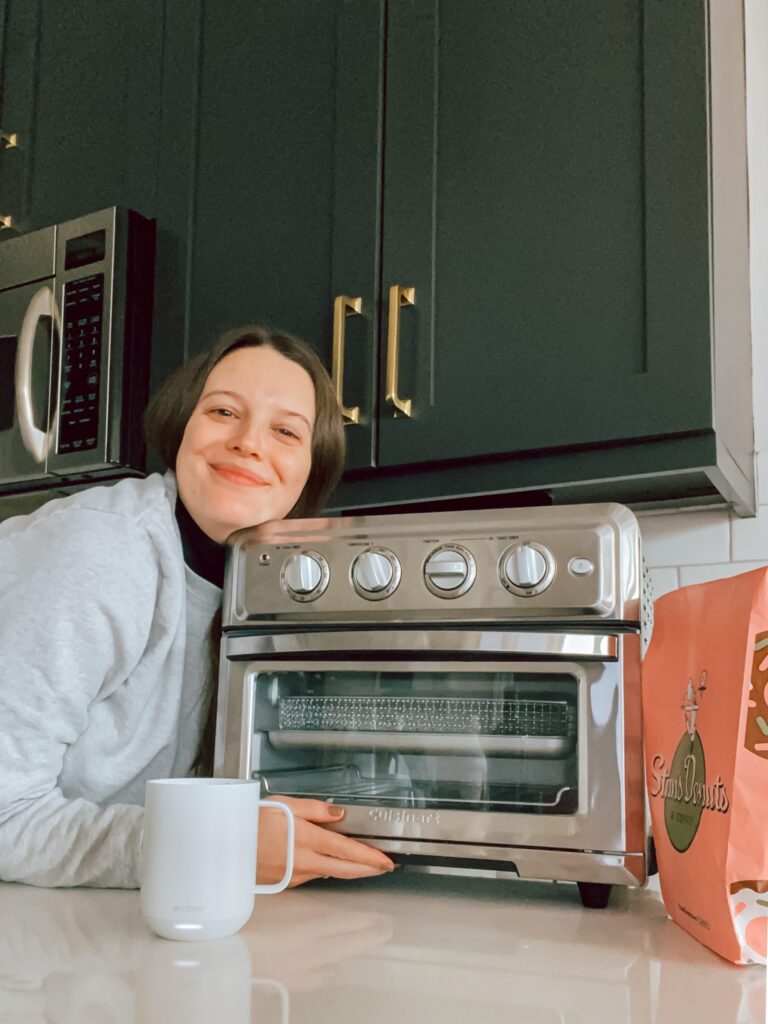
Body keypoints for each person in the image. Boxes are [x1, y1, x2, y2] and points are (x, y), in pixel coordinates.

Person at [0, 324, 396, 888]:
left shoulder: (271, 593)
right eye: (223, 413)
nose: (250, 442)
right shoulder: (101, 549)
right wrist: (210, 845)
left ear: (312, 469)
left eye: (285, 431)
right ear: (181, 426)